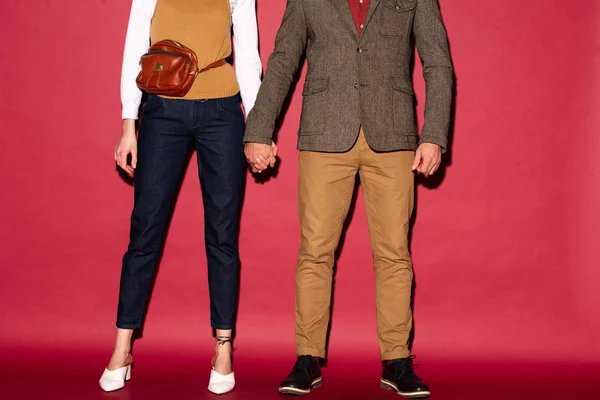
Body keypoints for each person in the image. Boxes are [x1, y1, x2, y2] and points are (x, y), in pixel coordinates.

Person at [243, 0, 453, 397]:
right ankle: (307, 358)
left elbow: (437, 62)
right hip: (324, 131)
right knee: (315, 251)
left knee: (394, 252)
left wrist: (434, 135)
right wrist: (258, 128)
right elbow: (285, 57)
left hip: (393, 134)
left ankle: (397, 360)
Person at [99, 0, 264, 394]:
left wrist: (257, 125)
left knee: (223, 235)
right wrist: (129, 125)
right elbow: (135, 47)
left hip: (223, 112)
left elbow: (248, 54)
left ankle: (223, 348)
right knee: (144, 232)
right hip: (162, 111)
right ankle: (122, 348)